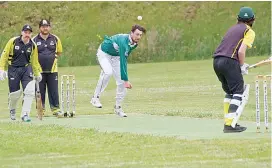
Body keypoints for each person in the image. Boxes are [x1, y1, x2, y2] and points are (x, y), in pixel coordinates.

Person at [213, 7, 256, 133]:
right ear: (252, 20)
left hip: (216, 61)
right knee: (238, 90)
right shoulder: (249, 31)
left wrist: (239, 65)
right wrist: (241, 66)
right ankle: (230, 124)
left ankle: (229, 123)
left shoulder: (232, 28)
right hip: (229, 61)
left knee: (230, 92)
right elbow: (241, 51)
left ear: (238, 18)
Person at [91, 24, 146, 117]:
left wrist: (124, 80)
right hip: (104, 53)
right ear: (131, 33)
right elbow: (123, 61)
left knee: (121, 82)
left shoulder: (134, 43)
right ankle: (95, 98)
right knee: (108, 72)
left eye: (140, 35)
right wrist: (127, 80)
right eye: (137, 34)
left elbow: (123, 58)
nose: (139, 37)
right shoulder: (123, 42)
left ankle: (118, 107)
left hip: (116, 57)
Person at [0, 24, 42, 122]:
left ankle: (25, 114)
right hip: (13, 69)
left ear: (31, 34)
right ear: (22, 32)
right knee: (15, 94)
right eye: (25, 32)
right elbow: (4, 55)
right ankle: (12, 110)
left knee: (29, 91)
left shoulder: (33, 45)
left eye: (29, 33)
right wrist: (1, 69)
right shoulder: (13, 41)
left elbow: (34, 61)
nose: (27, 34)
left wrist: (37, 73)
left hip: (26, 69)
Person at [33, 19, 63, 117]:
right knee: (40, 90)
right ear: (39, 28)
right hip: (39, 71)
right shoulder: (34, 40)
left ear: (49, 27)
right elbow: (31, 54)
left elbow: (59, 52)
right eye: (43, 26)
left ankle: (56, 110)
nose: (45, 28)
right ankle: (41, 111)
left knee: (53, 90)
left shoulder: (55, 39)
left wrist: (53, 59)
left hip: (52, 70)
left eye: (47, 26)